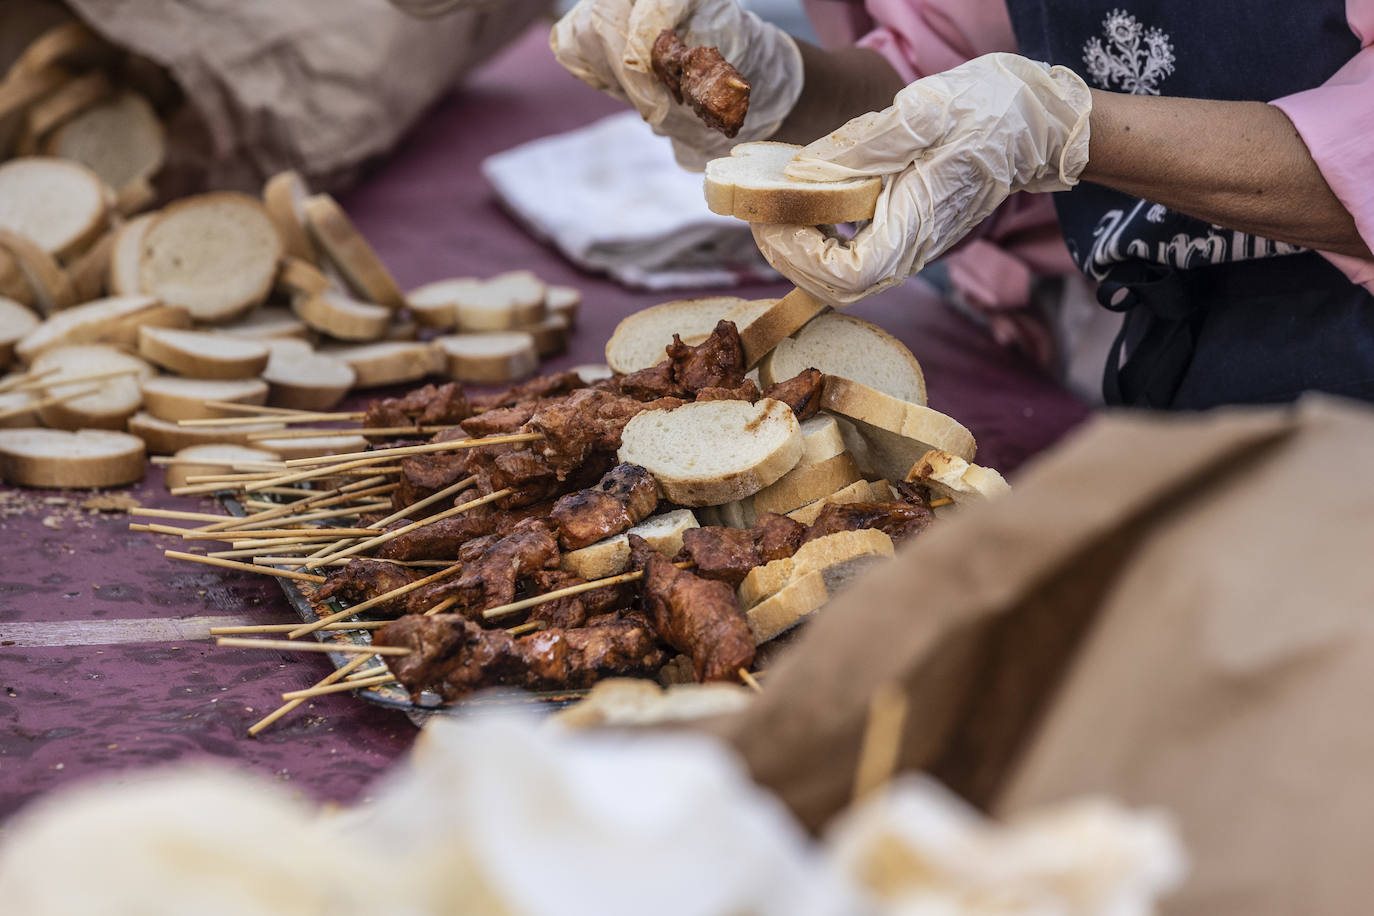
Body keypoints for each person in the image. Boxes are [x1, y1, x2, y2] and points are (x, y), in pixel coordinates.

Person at [552, 0, 1374, 409]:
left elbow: (1018, 112)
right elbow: (949, 65)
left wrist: (1062, 127)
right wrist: (779, 80)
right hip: (1163, 341)